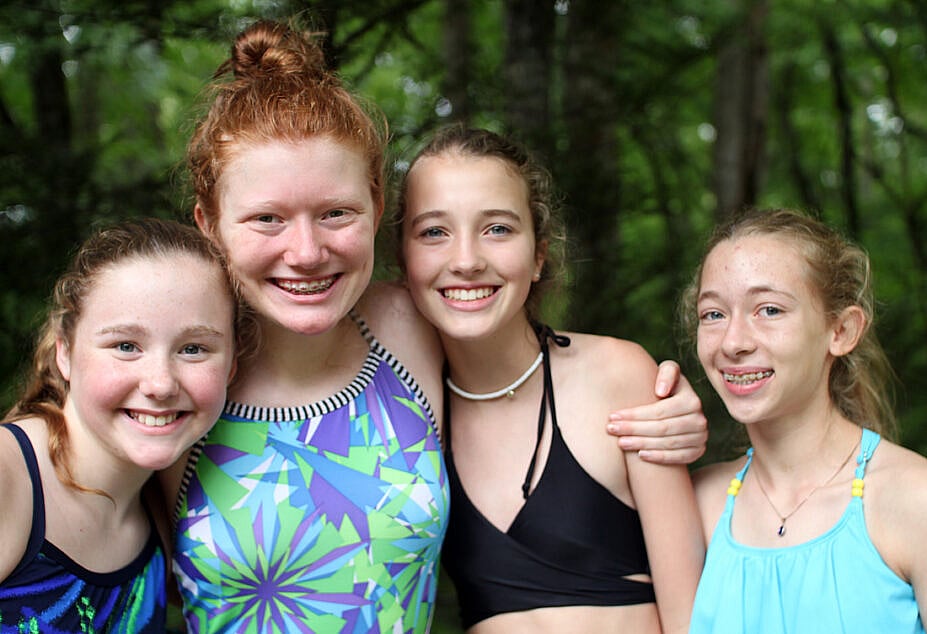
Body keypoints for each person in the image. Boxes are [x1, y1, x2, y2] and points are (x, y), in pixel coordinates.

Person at [164, 18, 708, 634]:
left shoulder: (405, 329)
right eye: (267, 218)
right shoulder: (174, 380)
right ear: (208, 224)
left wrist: (665, 404)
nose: (307, 252)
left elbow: (508, 343)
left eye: (336, 213)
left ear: (375, 210)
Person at [396, 125, 705, 633]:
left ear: (539, 253)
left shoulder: (619, 376)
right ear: (404, 260)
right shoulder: (403, 409)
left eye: (497, 228)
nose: (467, 260)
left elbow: (693, 615)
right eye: (434, 232)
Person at [685, 208, 927, 632]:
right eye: (714, 315)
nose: (733, 342)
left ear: (842, 331)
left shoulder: (913, 499)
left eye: (770, 310)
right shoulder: (695, 504)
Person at [0, 218, 242, 633]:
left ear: (232, 366)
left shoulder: (164, 515)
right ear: (65, 351)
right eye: (126, 346)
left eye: (194, 349)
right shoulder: (10, 476)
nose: (161, 383)